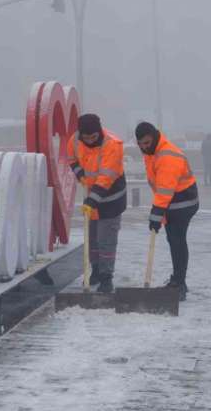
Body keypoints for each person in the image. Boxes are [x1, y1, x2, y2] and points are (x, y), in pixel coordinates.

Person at [135, 122, 198, 301]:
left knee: (177, 239)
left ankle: (179, 284)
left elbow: (165, 189)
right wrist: (160, 213)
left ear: (154, 137)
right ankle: (179, 281)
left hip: (183, 201)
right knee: (174, 239)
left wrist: (156, 216)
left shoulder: (167, 155)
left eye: (147, 143)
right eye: (141, 144)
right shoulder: (152, 151)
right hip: (171, 200)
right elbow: (161, 189)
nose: (144, 147)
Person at [67, 114, 127, 293]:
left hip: (110, 200)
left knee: (106, 241)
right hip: (90, 197)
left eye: (93, 137)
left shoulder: (112, 145)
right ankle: (96, 271)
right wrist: (80, 174)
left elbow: (106, 178)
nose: (90, 141)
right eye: (86, 138)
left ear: (99, 131)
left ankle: (107, 278)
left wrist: (92, 200)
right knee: (92, 239)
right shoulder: (75, 140)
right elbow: (72, 159)